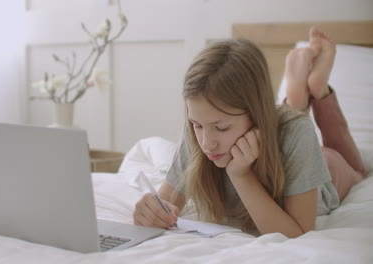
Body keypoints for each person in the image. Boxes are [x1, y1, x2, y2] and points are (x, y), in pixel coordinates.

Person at [132, 27, 366, 238]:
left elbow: (297, 235)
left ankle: (319, 90)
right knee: (290, 121)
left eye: (221, 128)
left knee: (357, 169)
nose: (207, 143)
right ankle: (296, 98)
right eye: (197, 124)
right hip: (281, 130)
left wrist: (241, 176)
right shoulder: (202, 128)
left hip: (324, 168)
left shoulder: (297, 133)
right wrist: (151, 212)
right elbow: (164, 203)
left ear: (256, 116)